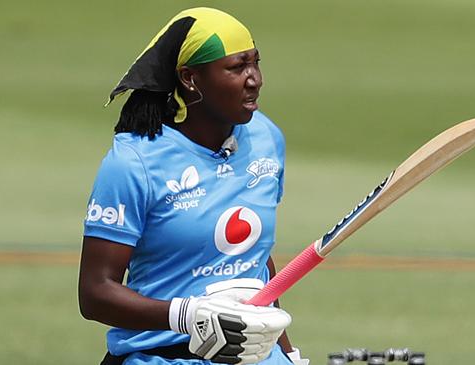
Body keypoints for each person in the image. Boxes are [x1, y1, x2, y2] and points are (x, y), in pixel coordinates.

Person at [78, 7, 308, 365]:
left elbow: (255, 261)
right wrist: (188, 315)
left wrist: (287, 351)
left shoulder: (265, 138)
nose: (255, 79)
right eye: (236, 67)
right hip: (161, 358)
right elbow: (95, 293)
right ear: (190, 78)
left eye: (255, 63)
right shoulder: (134, 162)